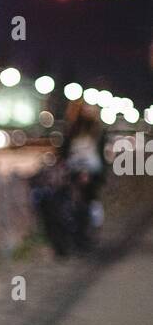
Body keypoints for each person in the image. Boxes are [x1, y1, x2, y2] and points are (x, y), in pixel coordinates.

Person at [59, 102, 106, 249]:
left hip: (89, 172)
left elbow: (99, 154)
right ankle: (82, 234)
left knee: (89, 203)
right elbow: (64, 150)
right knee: (81, 203)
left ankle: (86, 233)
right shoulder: (74, 129)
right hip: (78, 171)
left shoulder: (94, 131)